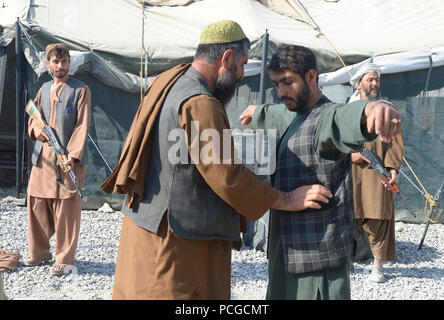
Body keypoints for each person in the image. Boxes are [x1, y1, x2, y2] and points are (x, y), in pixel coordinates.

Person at [101, 20, 333, 300]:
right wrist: (286, 200)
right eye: (243, 63)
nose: (242, 73)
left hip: (147, 227)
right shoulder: (201, 103)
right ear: (226, 58)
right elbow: (227, 176)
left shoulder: (169, 80)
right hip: (178, 246)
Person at [239, 45, 401, 299]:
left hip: (317, 262)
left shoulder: (327, 118)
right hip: (286, 253)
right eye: (276, 84)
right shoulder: (294, 111)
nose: (281, 92)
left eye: (287, 82)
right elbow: (278, 113)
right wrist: (256, 112)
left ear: (312, 77)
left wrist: (373, 108)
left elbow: (344, 117)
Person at [25, 43, 91, 276]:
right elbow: (34, 118)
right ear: (48, 63)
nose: (60, 66)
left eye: (64, 61)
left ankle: (63, 260)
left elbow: (82, 125)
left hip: (68, 159)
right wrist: (37, 130)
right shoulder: (43, 88)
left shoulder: (80, 90)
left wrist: (71, 157)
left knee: (67, 208)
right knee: (36, 203)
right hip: (42, 157)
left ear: (69, 63)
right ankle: (39, 253)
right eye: (56, 61)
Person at [349, 63, 404, 282]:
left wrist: (392, 169)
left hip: (376, 173)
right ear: (358, 82)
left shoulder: (389, 109)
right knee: (348, 218)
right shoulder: (346, 110)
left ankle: (377, 265)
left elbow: (396, 143)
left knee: (378, 217)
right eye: (370, 79)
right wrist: (349, 156)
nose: (374, 83)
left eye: (377, 80)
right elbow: (334, 140)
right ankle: (345, 263)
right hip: (351, 173)